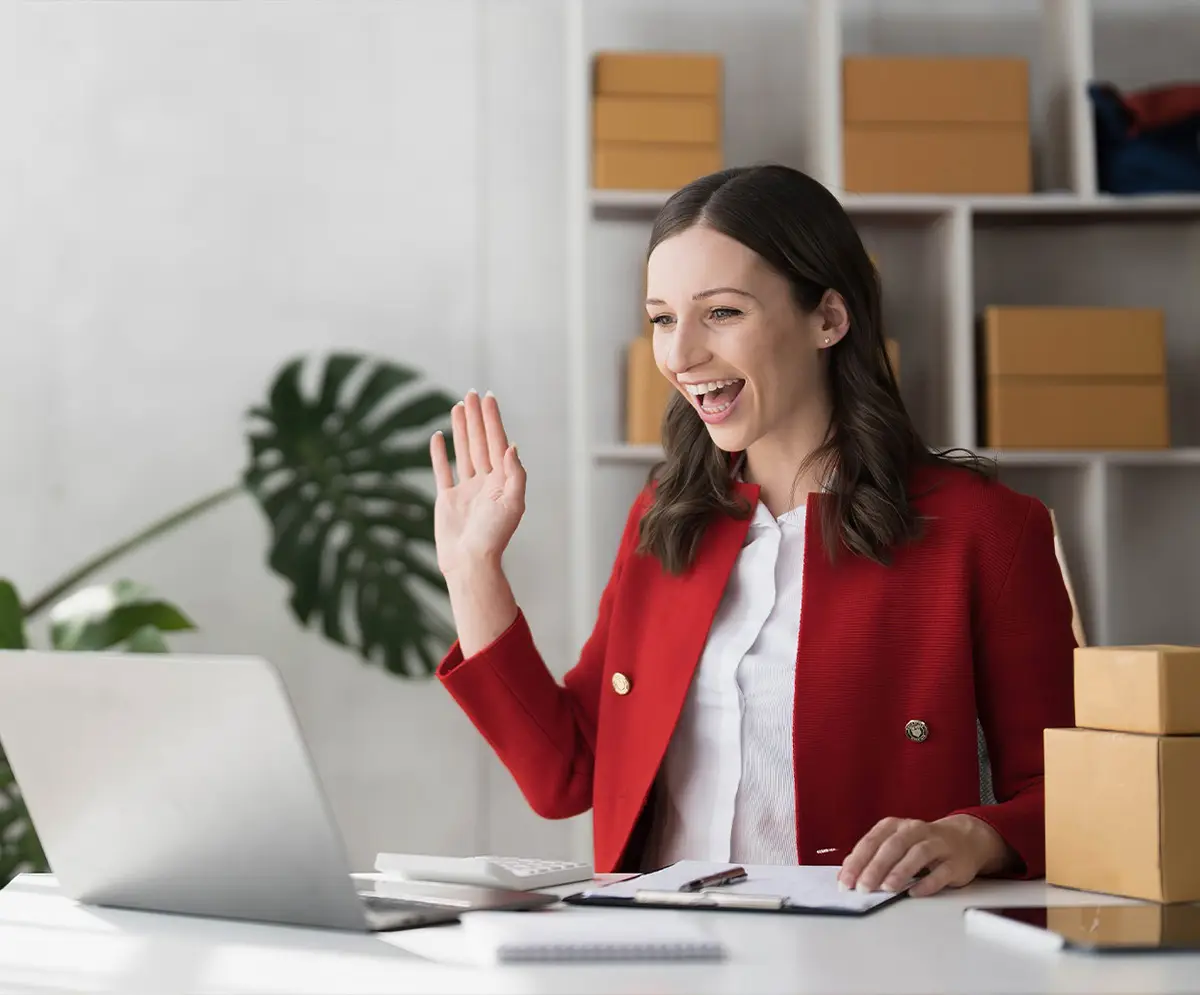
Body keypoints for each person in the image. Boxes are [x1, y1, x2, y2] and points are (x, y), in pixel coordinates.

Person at [429, 164, 1076, 897]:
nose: (678, 355)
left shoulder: (984, 530)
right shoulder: (665, 519)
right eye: (663, 318)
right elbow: (568, 772)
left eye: (723, 313)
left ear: (829, 318)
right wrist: (473, 569)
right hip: (662, 959)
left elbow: (1076, 794)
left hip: (876, 961)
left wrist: (974, 835)